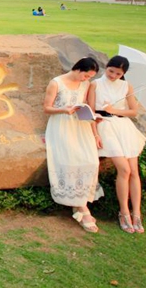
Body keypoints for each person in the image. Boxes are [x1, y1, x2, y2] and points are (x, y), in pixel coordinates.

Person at [43, 57, 104, 233]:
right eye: (86, 75)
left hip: (81, 125)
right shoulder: (56, 83)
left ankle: (80, 203)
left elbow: (87, 107)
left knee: (92, 161)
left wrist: (95, 130)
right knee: (71, 160)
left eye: (90, 77)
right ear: (78, 69)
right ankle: (81, 208)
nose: (87, 79)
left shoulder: (86, 85)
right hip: (61, 124)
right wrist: (64, 109)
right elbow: (47, 108)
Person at [88, 55, 146, 234]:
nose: (113, 75)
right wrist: (95, 133)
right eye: (111, 71)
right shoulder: (95, 84)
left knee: (134, 171)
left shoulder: (126, 86)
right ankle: (123, 211)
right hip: (105, 126)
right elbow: (91, 110)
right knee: (124, 170)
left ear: (124, 73)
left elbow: (133, 111)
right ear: (106, 67)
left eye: (118, 73)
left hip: (123, 127)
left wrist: (114, 110)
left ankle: (136, 212)